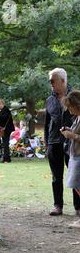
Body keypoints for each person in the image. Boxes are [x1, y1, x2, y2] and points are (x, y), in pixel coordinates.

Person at [45, 68, 80, 216]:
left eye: (53, 81)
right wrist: (46, 141)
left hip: (72, 142)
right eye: (50, 81)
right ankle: (57, 205)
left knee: (76, 175)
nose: (51, 83)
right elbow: (47, 122)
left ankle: (78, 207)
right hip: (54, 141)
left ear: (63, 81)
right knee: (56, 176)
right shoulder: (49, 100)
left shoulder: (75, 97)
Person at [60, 91, 80, 227]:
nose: (69, 109)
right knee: (76, 185)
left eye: (70, 106)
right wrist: (69, 130)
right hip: (75, 154)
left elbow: (77, 136)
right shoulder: (77, 118)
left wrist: (72, 136)